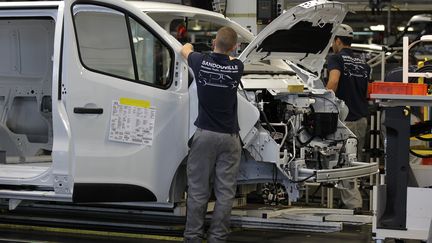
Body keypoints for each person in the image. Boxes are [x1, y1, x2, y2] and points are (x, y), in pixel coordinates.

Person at [181, 26, 244, 243]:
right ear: (234, 47)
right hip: (230, 138)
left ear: (213, 42)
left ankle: (193, 237)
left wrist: (193, 46)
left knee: (198, 191)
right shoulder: (237, 66)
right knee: (225, 193)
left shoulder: (199, 62)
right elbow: (231, 57)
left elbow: (185, 49)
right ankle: (218, 238)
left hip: (205, 135)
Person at [326, 24, 371, 212]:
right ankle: (348, 200)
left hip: (346, 120)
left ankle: (354, 205)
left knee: (344, 162)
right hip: (361, 119)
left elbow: (334, 81)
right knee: (354, 160)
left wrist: (323, 101)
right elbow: (367, 92)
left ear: (337, 41)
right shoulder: (363, 63)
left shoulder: (336, 58)